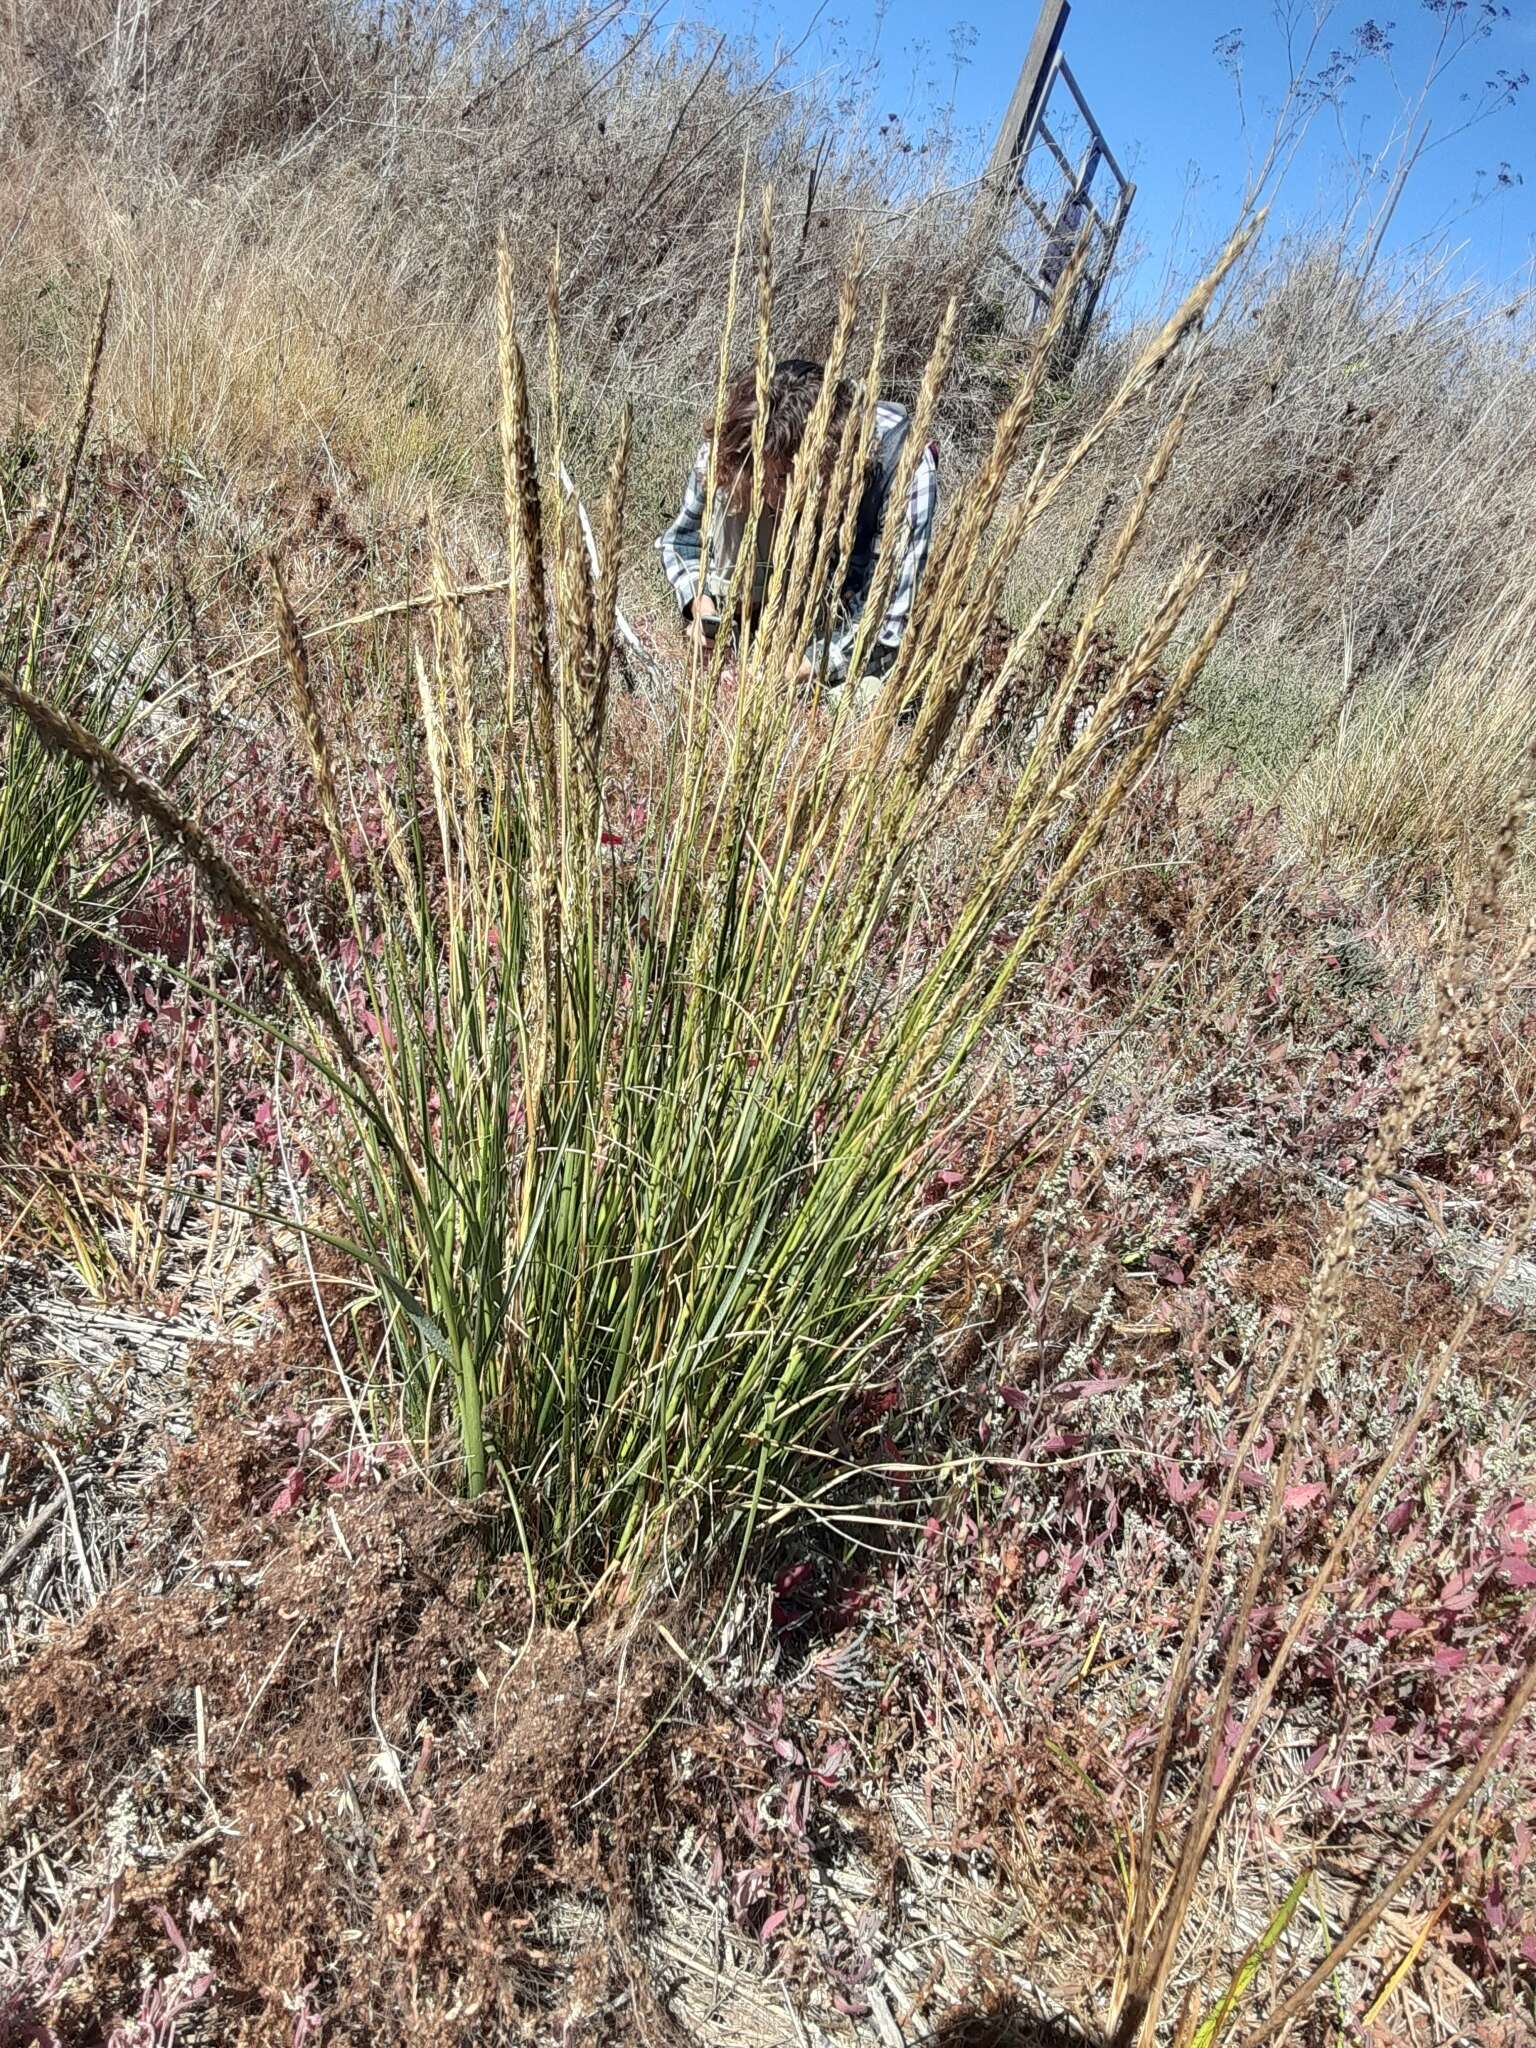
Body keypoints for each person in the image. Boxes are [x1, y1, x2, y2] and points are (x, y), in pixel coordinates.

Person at [656, 358, 938, 695]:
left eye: (782, 480)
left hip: (840, 617)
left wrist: (802, 666)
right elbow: (682, 543)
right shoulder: (744, 439)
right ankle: (740, 621)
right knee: (729, 484)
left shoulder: (906, 468)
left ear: (830, 461)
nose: (772, 495)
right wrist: (699, 605)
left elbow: (886, 627)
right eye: (765, 479)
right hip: (772, 595)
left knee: (868, 693)